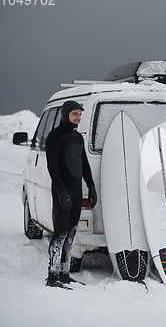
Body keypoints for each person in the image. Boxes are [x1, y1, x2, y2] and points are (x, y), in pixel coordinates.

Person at [45, 100, 97, 289]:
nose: (78, 118)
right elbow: (52, 167)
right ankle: (52, 276)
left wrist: (91, 187)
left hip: (75, 192)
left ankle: (64, 273)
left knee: (71, 233)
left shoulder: (77, 137)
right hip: (63, 193)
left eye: (80, 114)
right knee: (60, 234)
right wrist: (61, 192)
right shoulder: (55, 136)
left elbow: (84, 164)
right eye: (75, 114)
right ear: (66, 114)